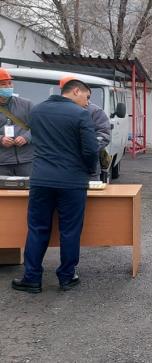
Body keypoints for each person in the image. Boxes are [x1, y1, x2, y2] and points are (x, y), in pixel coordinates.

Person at [11, 77, 98, 293]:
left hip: (40, 179)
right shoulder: (81, 115)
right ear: (76, 91)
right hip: (72, 181)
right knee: (70, 230)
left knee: (37, 228)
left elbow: (37, 140)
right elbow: (90, 151)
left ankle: (32, 278)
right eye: (86, 97)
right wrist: (88, 170)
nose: (87, 103)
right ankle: (67, 277)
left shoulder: (38, 111)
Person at [0, 67, 34, 176]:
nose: (8, 87)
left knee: (27, 192)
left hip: (26, 162)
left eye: (10, 83)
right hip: (2, 163)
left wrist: (26, 137)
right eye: (4, 84)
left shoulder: (26, 104)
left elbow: (40, 127)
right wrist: (1, 139)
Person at [87, 102, 112, 181]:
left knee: (91, 192)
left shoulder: (94, 110)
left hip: (89, 169)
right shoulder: (58, 110)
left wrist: (88, 148)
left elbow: (104, 135)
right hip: (61, 169)